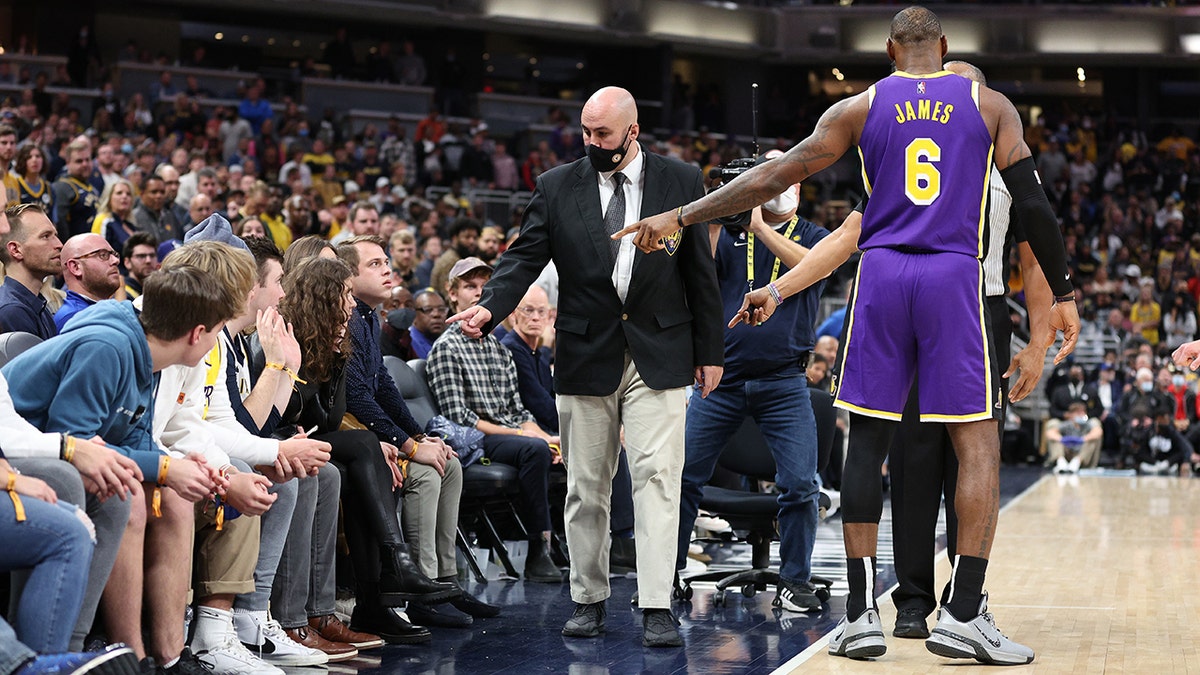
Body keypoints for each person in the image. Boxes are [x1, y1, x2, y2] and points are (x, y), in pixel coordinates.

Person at [615, 7, 1080, 664]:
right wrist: (1062, 294)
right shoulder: (989, 103)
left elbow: (774, 177)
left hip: (882, 273)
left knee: (866, 440)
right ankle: (966, 610)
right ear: (943, 49)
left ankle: (861, 615)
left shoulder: (860, 106)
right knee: (977, 446)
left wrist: (681, 213)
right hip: (955, 276)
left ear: (891, 50)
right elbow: (1033, 205)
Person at [448, 86, 724, 649]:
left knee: (657, 477)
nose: (592, 143)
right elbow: (523, 256)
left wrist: (710, 350)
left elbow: (701, 271)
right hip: (584, 350)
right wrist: (490, 304)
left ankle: (655, 604)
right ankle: (588, 598)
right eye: (586, 132)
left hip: (662, 349)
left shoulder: (681, 179)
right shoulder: (556, 185)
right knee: (586, 486)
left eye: (603, 134)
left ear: (633, 129)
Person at [888, 58, 1058, 642]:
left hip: (984, 309)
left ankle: (965, 597)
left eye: (962, 86)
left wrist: (1037, 344)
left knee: (975, 459)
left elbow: (1034, 254)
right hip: (914, 309)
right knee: (913, 458)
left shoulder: (1007, 161)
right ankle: (912, 599)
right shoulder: (908, 151)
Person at [676, 155, 835, 614]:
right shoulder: (726, 230)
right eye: (768, 178)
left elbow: (815, 269)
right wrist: (722, 204)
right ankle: (665, 577)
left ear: (800, 186)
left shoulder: (813, 236)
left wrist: (760, 226)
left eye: (785, 178)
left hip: (784, 381)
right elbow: (694, 264)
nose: (777, 187)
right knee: (681, 476)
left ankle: (794, 581)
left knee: (801, 483)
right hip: (718, 379)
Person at [337, 235, 499, 628]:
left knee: (449, 464)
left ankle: (446, 580)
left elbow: (386, 389)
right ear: (349, 276)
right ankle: (420, 586)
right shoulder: (350, 320)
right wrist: (409, 445)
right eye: (374, 264)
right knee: (426, 471)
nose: (386, 268)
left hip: (368, 430)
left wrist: (420, 436)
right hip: (350, 432)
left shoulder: (367, 317)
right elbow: (357, 397)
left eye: (386, 261)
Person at [429, 257, 564, 585]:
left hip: (508, 433)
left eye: (483, 287)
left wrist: (547, 438)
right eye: (469, 286)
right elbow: (459, 418)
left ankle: (572, 543)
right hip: (472, 440)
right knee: (533, 450)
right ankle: (537, 550)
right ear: (453, 294)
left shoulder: (497, 350)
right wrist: (527, 436)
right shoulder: (446, 348)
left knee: (559, 446)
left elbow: (519, 410)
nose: (478, 294)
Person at [0, 203, 62, 338]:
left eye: (55, 235)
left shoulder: (38, 304)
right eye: (46, 236)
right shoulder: (12, 311)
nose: (59, 245)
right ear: (16, 250)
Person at [54, 233, 122, 330]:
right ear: (75, 267)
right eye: (103, 255)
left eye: (115, 255)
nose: (115, 260)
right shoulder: (75, 319)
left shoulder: (97, 311)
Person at [51, 139, 98, 241]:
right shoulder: (62, 187)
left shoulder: (90, 185)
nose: (85, 164)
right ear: (68, 163)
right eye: (79, 161)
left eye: (87, 160)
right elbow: (60, 223)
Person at [91, 179, 137, 255]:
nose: (124, 196)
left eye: (128, 194)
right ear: (109, 198)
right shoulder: (103, 220)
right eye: (119, 193)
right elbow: (100, 254)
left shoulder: (130, 224)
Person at [409, 289, 448, 359]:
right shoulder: (407, 344)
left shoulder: (450, 340)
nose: (436, 314)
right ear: (413, 314)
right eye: (428, 310)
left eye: (441, 309)